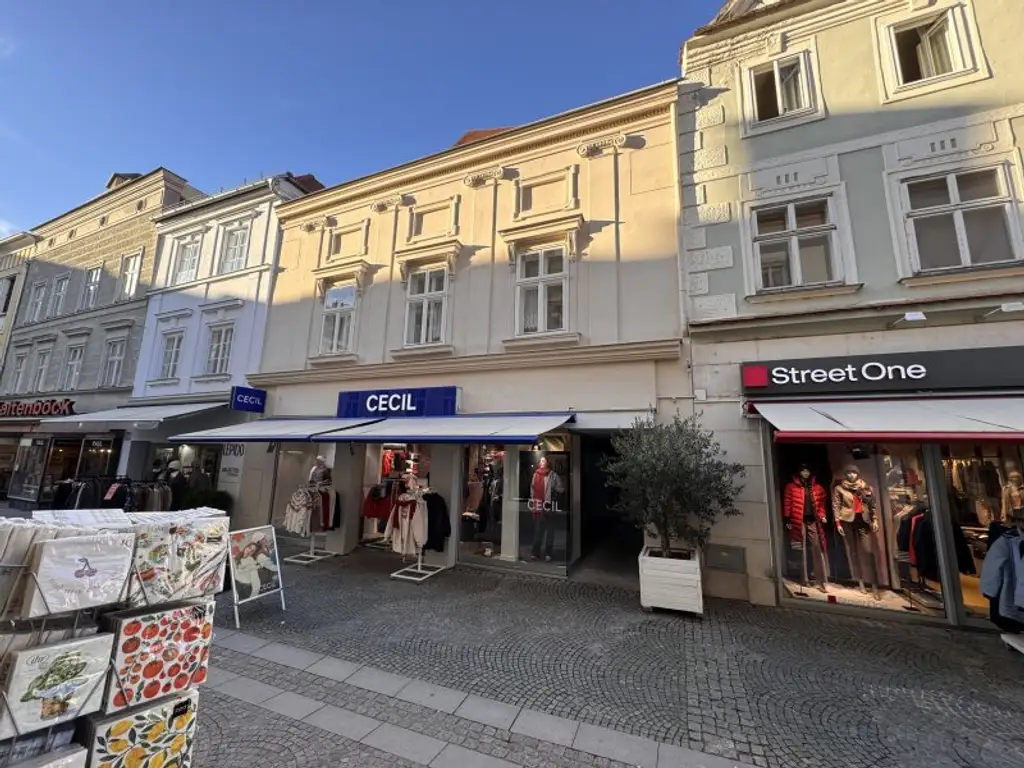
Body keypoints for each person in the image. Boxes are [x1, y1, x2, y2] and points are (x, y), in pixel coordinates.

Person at [530, 456, 564, 562]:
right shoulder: (535, 475)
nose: (542, 462)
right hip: (538, 505)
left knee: (550, 531)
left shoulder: (553, 475)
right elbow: (532, 488)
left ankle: (548, 553)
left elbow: (561, 489)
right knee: (538, 530)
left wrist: (555, 491)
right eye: (541, 461)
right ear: (539, 463)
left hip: (549, 506)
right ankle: (535, 553)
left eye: (544, 460)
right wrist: (533, 501)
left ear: (547, 463)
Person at [233, 533, 279, 600]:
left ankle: (253, 596)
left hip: (248, 582)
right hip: (241, 580)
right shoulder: (236, 557)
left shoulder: (252, 561)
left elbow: (256, 567)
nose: (249, 551)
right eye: (263, 538)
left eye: (252, 551)